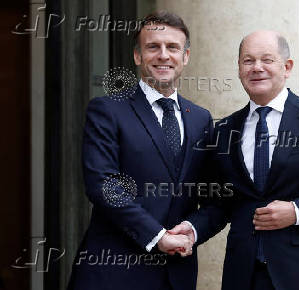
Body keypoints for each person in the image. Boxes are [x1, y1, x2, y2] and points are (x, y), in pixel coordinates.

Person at [172, 30, 299, 290]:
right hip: (244, 273)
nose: (257, 68)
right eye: (248, 61)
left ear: (287, 67)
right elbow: (221, 204)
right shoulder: (226, 130)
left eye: (267, 60)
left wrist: (296, 211)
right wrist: (192, 229)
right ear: (239, 69)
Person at [68, 11, 214, 290]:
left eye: (172, 47)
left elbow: (214, 193)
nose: (163, 55)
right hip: (114, 271)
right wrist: (157, 236)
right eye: (153, 47)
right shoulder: (108, 110)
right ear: (137, 56)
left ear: (185, 57)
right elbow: (103, 185)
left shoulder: (200, 119)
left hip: (176, 275)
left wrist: (193, 230)